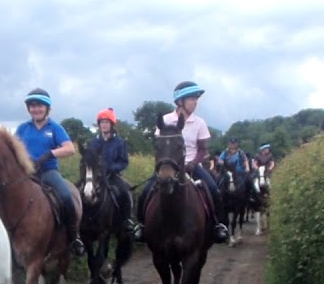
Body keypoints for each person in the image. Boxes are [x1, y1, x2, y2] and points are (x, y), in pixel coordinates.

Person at [133, 81, 229, 243]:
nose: (195, 102)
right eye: (192, 98)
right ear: (180, 101)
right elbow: (159, 145)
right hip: (168, 166)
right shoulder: (165, 120)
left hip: (192, 166)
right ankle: (142, 226)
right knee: (146, 191)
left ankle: (217, 225)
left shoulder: (199, 123)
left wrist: (193, 163)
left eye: (196, 99)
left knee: (213, 188)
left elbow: (203, 149)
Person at [15, 88, 85, 256]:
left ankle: (73, 237)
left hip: (48, 171)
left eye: (39, 105)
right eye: (32, 106)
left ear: (47, 108)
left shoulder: (55, 128)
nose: (36, 109)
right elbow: (13, 149)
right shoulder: (23, 128)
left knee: (66, 197)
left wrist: (49, 155)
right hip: (26, 174)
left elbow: (69, 149)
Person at [85, 108, 134, 235]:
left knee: (125, 191)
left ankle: (127, 220)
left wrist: (112, 168)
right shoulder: (93, 142)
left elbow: (124, 162)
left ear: (111, 125)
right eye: (102, 122)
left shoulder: (120, 142)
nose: (104, 125)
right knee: (79, 189)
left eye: (106, 122)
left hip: (112, 175)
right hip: (95, 176)